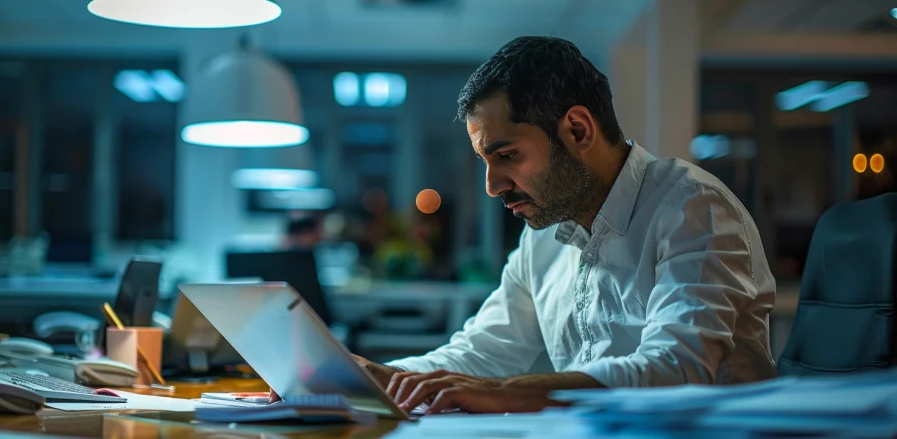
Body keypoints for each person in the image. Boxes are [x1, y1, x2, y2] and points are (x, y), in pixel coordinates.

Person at [274, 36, 777, 414]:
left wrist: (504, 393)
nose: (493, 186)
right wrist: (373, 378)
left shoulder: (693, 208)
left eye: (507, 155)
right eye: (486, 161)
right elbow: (483, 352)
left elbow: (675, 371)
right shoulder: (544, 237)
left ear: (577, 129)